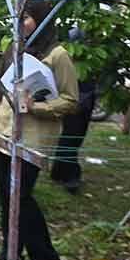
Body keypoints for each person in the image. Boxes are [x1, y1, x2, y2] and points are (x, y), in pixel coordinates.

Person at [0, 0, 78, 260]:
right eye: (19, 18)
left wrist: (38, 107)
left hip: (33, 138)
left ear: (42, 20)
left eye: (27, 18)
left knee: (21, 197)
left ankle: (46, 259)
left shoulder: (57, 55)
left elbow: (71, 101)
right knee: (6, 197)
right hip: (4, 134)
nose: (21, 24)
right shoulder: (13, 48)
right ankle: (8, 255)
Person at [50, 26, 98, 194]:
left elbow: (87, 88)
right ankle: (64, 174)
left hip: (80, 106)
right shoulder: (66, 60)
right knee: (67, 140)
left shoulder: (87, 65)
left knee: (71, 140)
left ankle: (65, 175)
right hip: (72, 105)